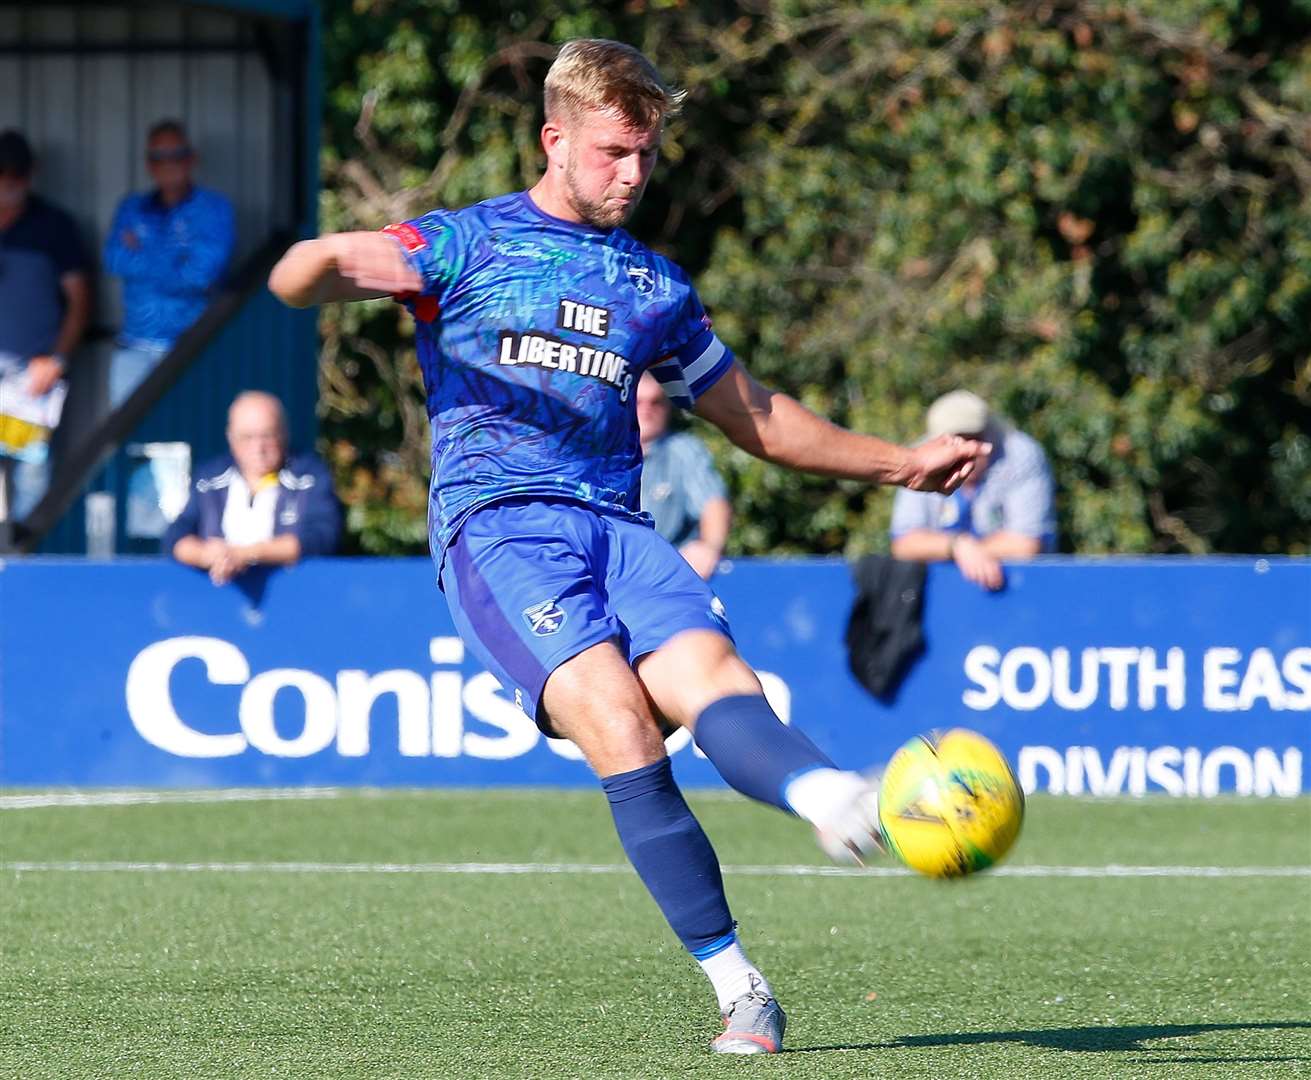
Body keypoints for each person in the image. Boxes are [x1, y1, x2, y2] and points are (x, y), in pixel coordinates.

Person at [268, 39, 982, 1055]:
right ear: (554, 139)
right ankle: (741, 988)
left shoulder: (652, 285)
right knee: (619, 720)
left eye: (647, 154)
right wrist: (326, 259)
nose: (633, 174)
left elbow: (759, 419)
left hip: (618, 528)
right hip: (500, 528)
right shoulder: (462, 246)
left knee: (715, 679)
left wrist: (901, 465)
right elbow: (301, 279)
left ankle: (835, 796)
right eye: (613, 152)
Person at [103, 119, 234, 408]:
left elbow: (200, 276)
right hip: (133, 347)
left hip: (191, 347)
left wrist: (144, 251)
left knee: (188, 438)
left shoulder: (214, 208)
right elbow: (113, 259)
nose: (167, 164)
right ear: (149, 164)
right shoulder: (131, 206)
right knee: (125, 441)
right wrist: (177, 256)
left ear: (191, 158)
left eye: (176, 155)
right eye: (158, 157)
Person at [0, 130, 91, 523]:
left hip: (29, 380)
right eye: (1, 173)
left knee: (32, 480)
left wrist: (56, 359)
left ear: (31, 173)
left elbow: (81, 300)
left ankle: (24, 565)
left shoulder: (53, 226)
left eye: (16, 174)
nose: (8, 183)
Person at [162, 391, 341, 585]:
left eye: (268, 435)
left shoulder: (309, 477)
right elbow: (176, 536)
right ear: (230, 437)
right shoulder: (208, 480)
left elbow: (322, 537)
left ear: (284, 433)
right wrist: (207, 555)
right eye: (246, 437)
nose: (258, 448)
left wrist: (247, 554)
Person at [890, 389, 1055, 591]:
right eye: (954, 441)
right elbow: (905, 545)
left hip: (1020, 590)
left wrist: (967, 551)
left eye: (973, 438)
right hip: (936, 592)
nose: (966, 449)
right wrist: (958, 546)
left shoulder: (1020, 455)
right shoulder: (919, 458)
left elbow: (1026, 544)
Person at [637, 370, 731, 578]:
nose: (646, 410)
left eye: (656, 402)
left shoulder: (684, 450)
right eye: (638, 402)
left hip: (665, 578)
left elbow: (712, 504)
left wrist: (709, 548)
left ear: (668, 406)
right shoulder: (598, 453)